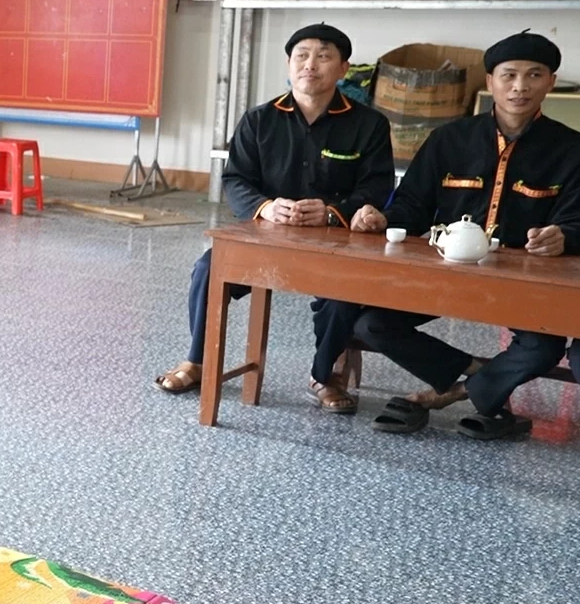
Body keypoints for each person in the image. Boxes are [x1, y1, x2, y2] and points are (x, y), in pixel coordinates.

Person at [351, 30, 580, 438]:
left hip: (521, 282)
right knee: (371, 325)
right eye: (508, 75)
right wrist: (383, 220)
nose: (519, 87)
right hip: (447, 275)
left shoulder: (571, 149)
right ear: (489, 82)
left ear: (551, 81)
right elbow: (411, 207)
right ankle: (479, 378)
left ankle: (445, 395)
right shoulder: (449, 139)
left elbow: (576, 222)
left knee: (543, 348)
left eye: (533, 75)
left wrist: (563, 236)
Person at [155, 23, 394, 413]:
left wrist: (334, 212)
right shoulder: (259, 120)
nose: (310, 65)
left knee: (345, 289)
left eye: (323, 56)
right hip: (267, 236)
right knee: (207, 269)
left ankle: (324, 375)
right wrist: (266, 207)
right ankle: (197, 361)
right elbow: (235, 179)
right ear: (288, 64)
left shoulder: (369, 125)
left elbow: (378, 185)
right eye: (301, 56)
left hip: (334, 240)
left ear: (343, 69)